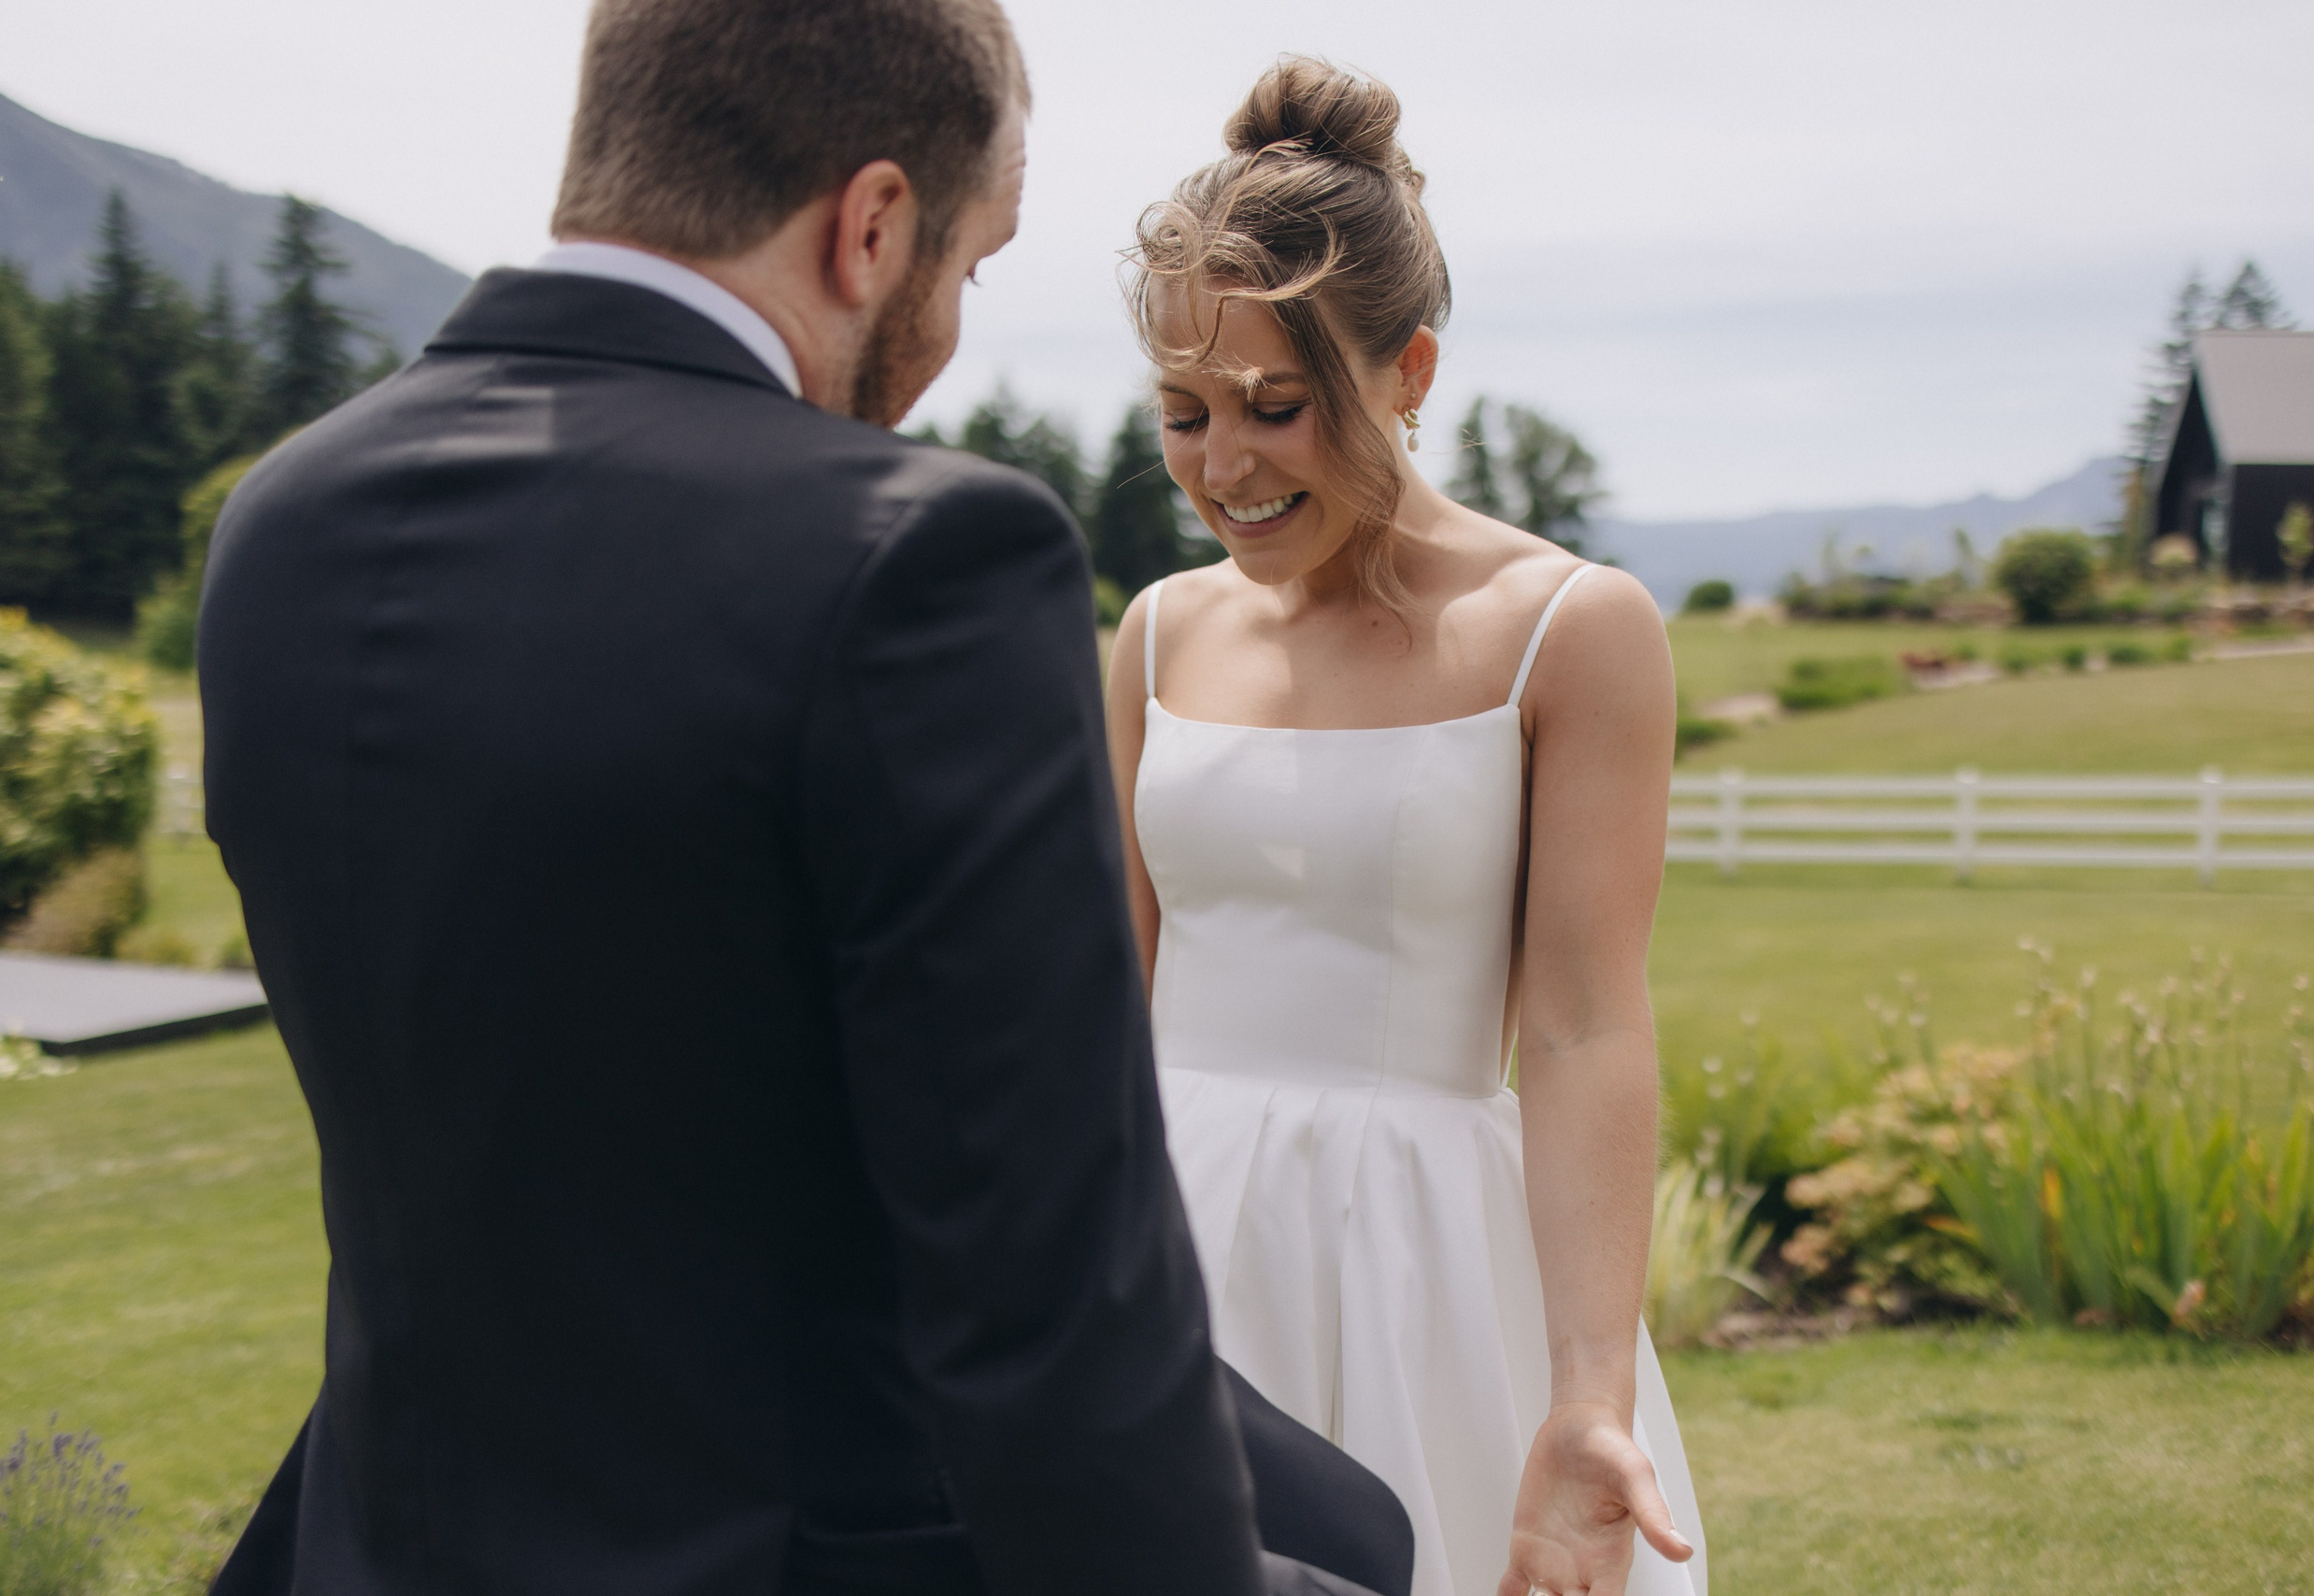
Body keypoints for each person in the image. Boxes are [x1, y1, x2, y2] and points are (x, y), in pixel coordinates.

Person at [196, 5, 1407, 1593]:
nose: (951, 332)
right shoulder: (914, 560)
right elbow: (1047, 1305)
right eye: (970, 268)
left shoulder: (287, 525)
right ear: (874, 223)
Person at [1105, 58, 1708, 1596]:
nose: (1221, 467)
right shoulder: (1160, 635)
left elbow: (1580, 1026)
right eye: (1182, 414)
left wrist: (1587, 1390)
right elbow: (1096, 1001)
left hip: (1425, 1271)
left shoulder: (1570, 629)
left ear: (1411, 370)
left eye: (1273, 408)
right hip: (1158, 1250)